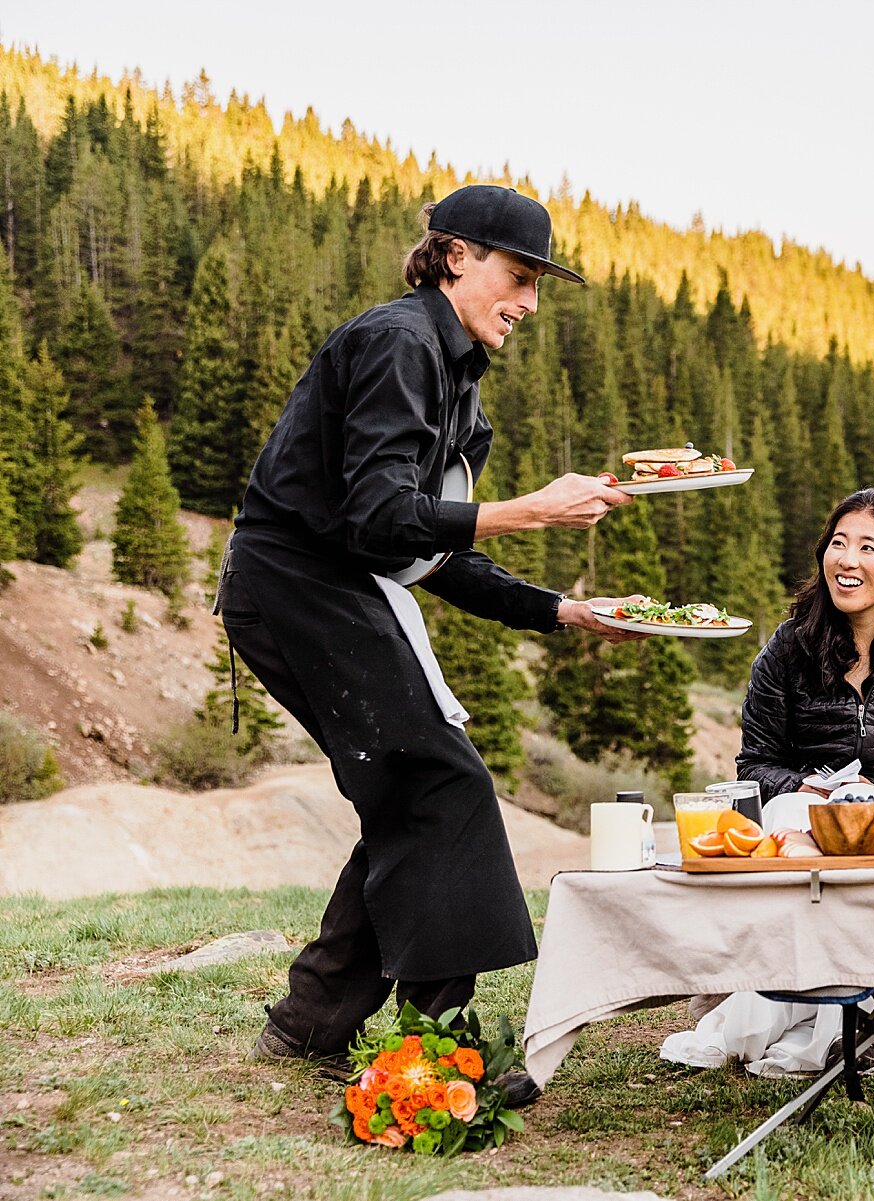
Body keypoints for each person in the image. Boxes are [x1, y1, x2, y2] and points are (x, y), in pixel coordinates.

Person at [222, 185, 642, 1103]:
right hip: (292, 583)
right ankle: (443, 1055)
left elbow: (427, 548)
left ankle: (309, 1023)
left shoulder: (459, 382)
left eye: (538, 284)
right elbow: (379, 519)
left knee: (408, 788)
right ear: (456, 256)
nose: (529, 301)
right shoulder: (400, 343)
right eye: (519, 275)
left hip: (331, 585)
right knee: (437, 780)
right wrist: (533, 511)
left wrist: (562, 612)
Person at [659, 488, 874, 1076]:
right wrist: (807, 790)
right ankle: (794, 997)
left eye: (868, 547)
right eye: (838, 543)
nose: (847, 560)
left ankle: (867, 1011)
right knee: (786, 819)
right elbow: (754, 766)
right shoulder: (788, 649)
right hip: (808, 831)